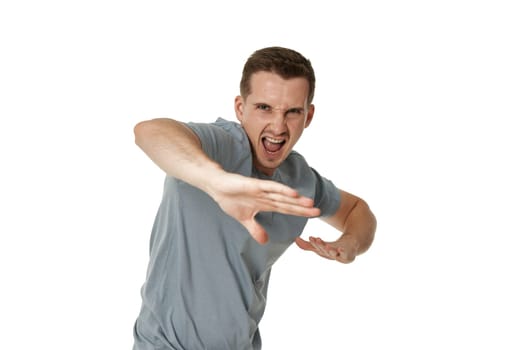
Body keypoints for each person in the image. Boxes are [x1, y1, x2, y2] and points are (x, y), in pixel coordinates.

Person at [132, 46, 377, 350]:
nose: (277, 126)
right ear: (240, 108)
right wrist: (216, 181)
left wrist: (350, 244)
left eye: (292, 112)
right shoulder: (218, 146)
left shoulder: (301, 179)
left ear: (308, 115)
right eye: (264, 108)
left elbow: (357, 210)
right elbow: (151, 132)